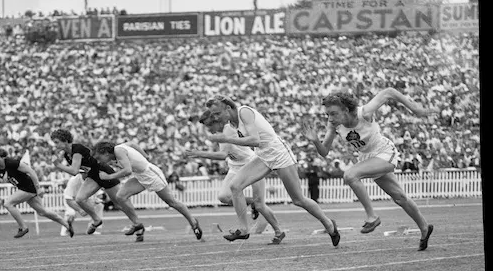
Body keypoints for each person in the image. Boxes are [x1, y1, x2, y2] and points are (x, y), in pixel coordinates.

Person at [301, 88, 434, 250]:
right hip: (368, 158)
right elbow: (324, 152)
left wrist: (416, 109)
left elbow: (389, 92)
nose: (330, 118)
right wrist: (315, 141)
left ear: (346, 110)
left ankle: (372, 216)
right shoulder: (334, 125)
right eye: (327, 114)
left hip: (385, 152)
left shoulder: (364, 112)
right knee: (400, 197)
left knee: (350, 175)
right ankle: (425, 228)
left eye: (334, 113)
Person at [202, 95, 340, 246]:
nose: (216, 118)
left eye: (217, 113)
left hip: (279, 153)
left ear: (228, 108)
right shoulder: (231, 125)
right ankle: (243, 230)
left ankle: (329, 225)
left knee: (298, 200)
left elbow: (255, 140)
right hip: (263, 156)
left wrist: (227, 140)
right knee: (235, 186)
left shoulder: (244, 112)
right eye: (213, 115)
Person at [185, 107, 286, 244]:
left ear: (217, 120)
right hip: (234, 166)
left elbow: (222, 155)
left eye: (210, 125)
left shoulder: (227, 130)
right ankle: (252, 204)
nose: (210, 130)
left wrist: (199, 153)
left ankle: (279, 231)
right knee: (224, 197)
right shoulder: (221, 131)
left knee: (261, 205)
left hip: (250, 163)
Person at [92, 141, 203, 241]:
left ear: (105, 153)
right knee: (120, 196)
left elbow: (127, 170)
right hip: (140, 176)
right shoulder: (118, 149)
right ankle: (137, 224)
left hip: (151, 174)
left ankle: (193, 222)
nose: (99, 161)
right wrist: (145, 155)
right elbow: (132, 144)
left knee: (172, 202)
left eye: (99, 157)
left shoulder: (118, 150)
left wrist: (109, 177)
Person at [51, 129, 144, 236]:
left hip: (104, 171)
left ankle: (138, 225)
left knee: (120, 204)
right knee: (80, 199)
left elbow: (74, 171)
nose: (55, 145)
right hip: (93, 175)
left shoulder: (77, 149)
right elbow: (78, 170)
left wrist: (58, 164)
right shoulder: (67, 155)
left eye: (57, 142)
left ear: (65, 140)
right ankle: (96, 220)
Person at [0, 146, 74, 238]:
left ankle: (23, 227)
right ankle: (66, 224)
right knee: (42, 212)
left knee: (8, 204)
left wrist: (38, 188)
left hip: (29, 187)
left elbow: (31, 171)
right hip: (23, 188)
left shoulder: (11, 162)